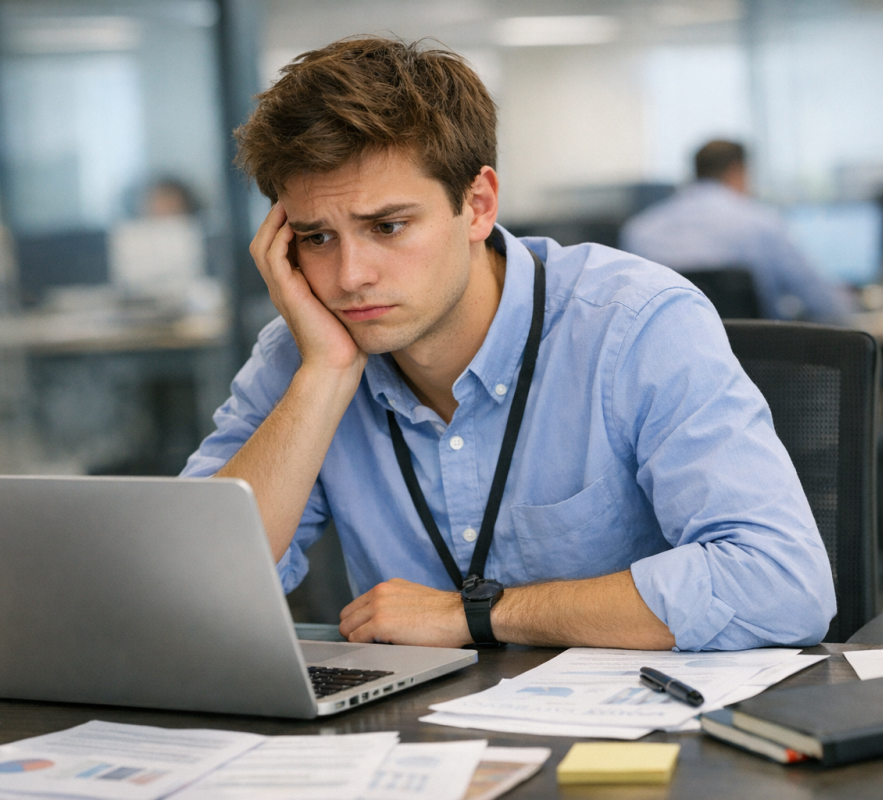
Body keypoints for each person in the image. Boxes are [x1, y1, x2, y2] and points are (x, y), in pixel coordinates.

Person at [182, 38, 835, 652]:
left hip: (633, 721)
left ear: (478, 205)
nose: (350, 277)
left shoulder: (632, 324)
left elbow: (781, 583)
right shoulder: (305, 351)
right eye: (317, 238)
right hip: (413, 727)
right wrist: (324, 374)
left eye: (388, 226)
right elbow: (186, 594)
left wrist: (476, 614)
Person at [620, 140, 852, 323]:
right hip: (753, 364)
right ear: (737, 171)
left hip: (675, 364)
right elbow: (827, 306)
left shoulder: (640, 230)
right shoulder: (761, 223)